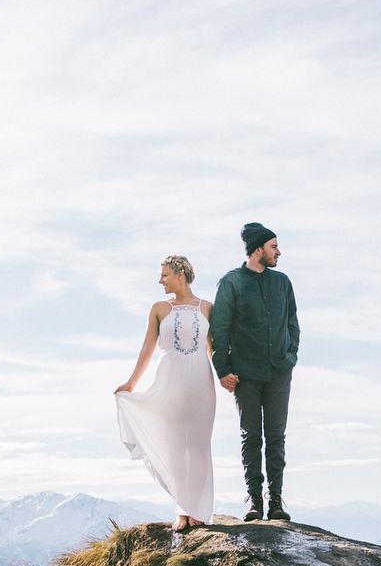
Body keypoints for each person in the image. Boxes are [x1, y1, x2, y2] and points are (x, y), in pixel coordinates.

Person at [113, 255, 216, 530]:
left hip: (200, 381)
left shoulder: (207, 308)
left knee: (198, 446)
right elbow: (147, 348)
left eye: (164, 275)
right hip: (169, 380)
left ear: (180, 274)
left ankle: (198, 510)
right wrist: (131, 383)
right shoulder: (159, 308)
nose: (160, 280)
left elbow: (213, 349)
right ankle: (182, 509)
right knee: (175, 447)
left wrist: (226, 377)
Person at [210, 221, 298, 522]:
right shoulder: (231, 282)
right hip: (244, 374)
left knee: (276, 436)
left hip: (279, 372)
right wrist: (222, 369)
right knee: (251, 436)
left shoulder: (283, 282)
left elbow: (293, 324)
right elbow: (219, 330)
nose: (279, 252)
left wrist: (290, 356)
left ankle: (276, 500)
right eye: (274, 247)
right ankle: (255, 500)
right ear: (258, 249)